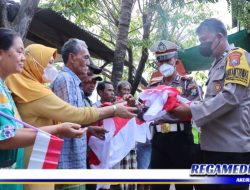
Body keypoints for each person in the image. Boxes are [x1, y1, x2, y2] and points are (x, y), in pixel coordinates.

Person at [5, 42, 136, 190]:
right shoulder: (37, 90)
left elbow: (60, 119)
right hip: (37, 156)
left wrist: (88, 129)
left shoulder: (34, 87)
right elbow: (72, 114)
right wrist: (112, 110)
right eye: (48, 63)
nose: (88, 63)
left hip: (44, 153)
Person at [0, 28, 86, 190]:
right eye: (19, 52)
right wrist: (114, 109)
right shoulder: (28, 91)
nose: (23, 58)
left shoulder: (5, 89)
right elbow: (6, 136)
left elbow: (12, 130)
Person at [171, 18, 250, 190]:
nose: (201, 45)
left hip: (231, 151)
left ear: (220, 37)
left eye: (203, 40)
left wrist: (192, 110)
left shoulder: (237, 57)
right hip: (210, 148)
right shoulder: (216, 64)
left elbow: (231, 97)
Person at [149, 40, 201, 190]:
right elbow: (145, 110)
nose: (163, 63)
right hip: (158, 139)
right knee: (158, 186)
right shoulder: (153, 86)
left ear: (175, 60)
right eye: (160, 60)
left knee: (183, 186)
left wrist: (169, 105)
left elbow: (195, 109)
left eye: (167, 59)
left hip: (181, 139)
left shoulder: (188, 83)